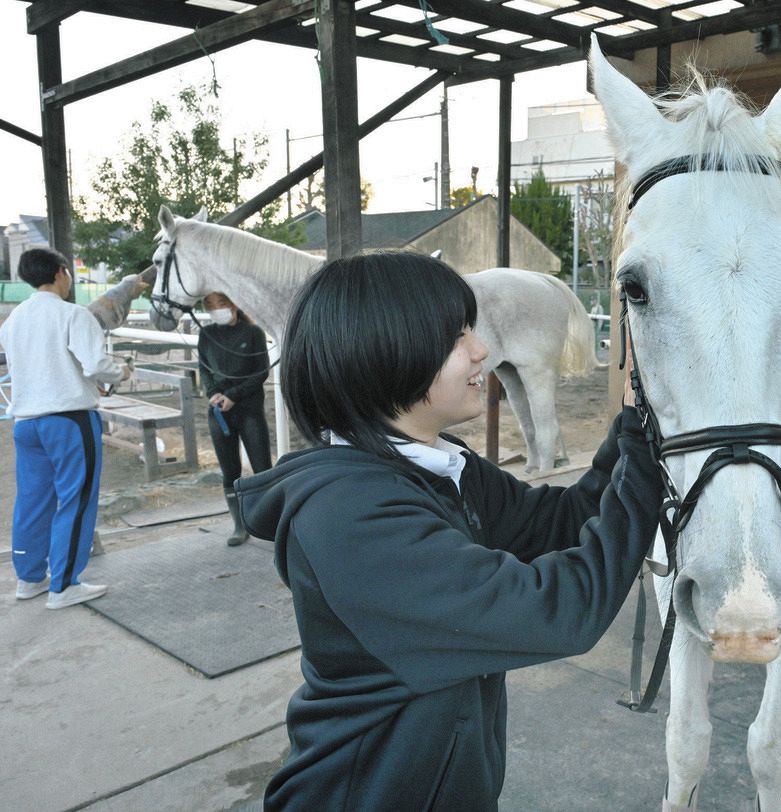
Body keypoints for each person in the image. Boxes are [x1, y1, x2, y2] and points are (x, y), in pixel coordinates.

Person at [235, 252, 661, 810]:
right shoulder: (350, 517)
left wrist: (637, 427)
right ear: (387, 352)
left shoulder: (437, 465)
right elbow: (558, 611)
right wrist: (650, 473)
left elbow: (559, 521)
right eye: (457, 336)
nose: (480, 348)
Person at [0, 248, 131, 608]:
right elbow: (97, 364)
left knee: (32, 501)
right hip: (69, 419)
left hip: (26, 422)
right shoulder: (73, 314)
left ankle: (29, 579)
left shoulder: (13, 321)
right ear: (61, 273)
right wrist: (121, 371)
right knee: (76, 498)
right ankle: (65, 583)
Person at [198, 291, 272, 546]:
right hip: (219, 411)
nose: (216, 311)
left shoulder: (253, 333)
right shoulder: (206, 334)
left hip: (248, 407)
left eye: (220, 305)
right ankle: (239, 525)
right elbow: (204, 369)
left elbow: (261, 371)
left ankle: (272, 521)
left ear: (233, 305)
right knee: (230, 470)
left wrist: (234, 396)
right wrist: (213, 393)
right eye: (211, 307)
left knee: (262, 467)